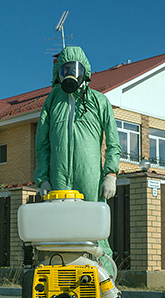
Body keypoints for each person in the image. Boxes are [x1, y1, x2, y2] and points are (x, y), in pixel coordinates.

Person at [34, 46, 121, 277]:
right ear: (57, 74)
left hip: (90, 175)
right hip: (58, 177)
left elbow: (113, 142)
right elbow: (41, 144)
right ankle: (59, 277)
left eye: (74, 68)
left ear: (85, 71)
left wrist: (110, 174)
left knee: (95, 227)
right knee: (60, 227)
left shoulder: (99, 101)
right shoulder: (52, 100)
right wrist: (42, 178)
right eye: (64, 69)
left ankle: (105, 282)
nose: (69, 73)